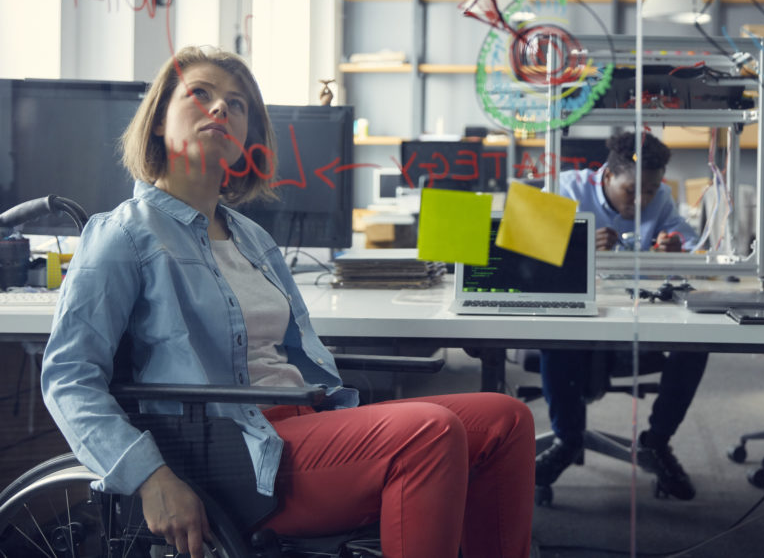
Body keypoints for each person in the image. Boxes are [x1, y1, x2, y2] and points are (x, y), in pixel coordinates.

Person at [41, 46, 535, 558]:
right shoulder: (123, 234)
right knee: (428, 433)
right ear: (159, 119)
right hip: (235, 452)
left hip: (298, 422)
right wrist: (149, 477)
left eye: (237, 104)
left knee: (506, 420)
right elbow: (68, 379)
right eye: (201, 94)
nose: (221, 109)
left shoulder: (252, 238)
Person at [535, 131, 708, 499]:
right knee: (558, 335)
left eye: (651, 189)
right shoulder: (565, 188)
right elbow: (523, 247)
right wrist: (576, 246)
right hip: (582, 312)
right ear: (608, 176)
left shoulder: (659, 198)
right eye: (633, 191)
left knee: (697, 341)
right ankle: (567, 439)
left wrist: (677, 247)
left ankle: (657, 442)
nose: (643, 200)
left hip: (637, 313)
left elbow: (691, 242)